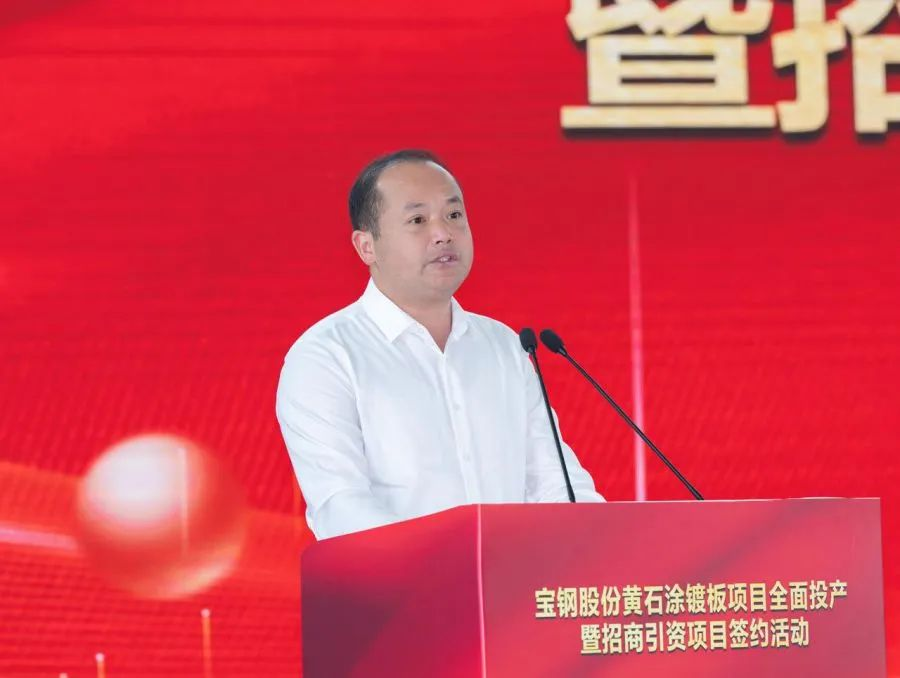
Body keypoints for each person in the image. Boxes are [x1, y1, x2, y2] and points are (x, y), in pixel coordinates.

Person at [275, 149, 603, 540]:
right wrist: (445, 563)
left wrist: (603, 542)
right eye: (418, 220)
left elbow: (555, 482)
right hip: (399, 580)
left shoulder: (504, 347)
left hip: (509, 578)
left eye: (454, 215)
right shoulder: (326, 357)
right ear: (366, 246)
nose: (443, 233)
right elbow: (341, 506)